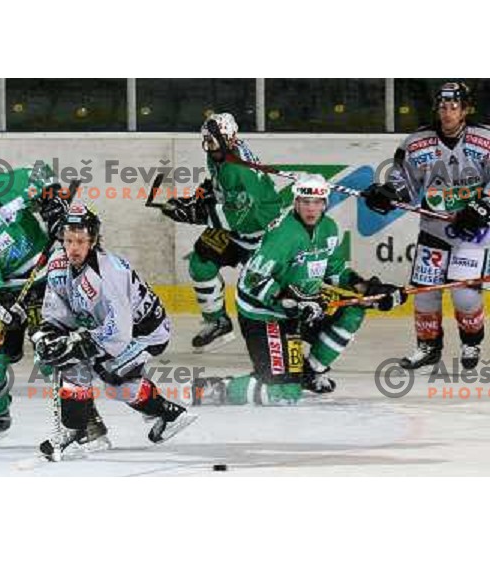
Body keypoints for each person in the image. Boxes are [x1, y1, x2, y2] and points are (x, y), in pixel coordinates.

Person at [0, 163, 109, 447]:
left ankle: (87, 421)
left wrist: (53, 203)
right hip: (4, 291)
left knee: (54, 356)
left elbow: (41, 174)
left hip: (44, 279)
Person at [195, 174, 406, 405]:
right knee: (285, 394)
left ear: (325, 203)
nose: (311, 208)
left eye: (316, 202)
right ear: (296, 202)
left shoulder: (328, 228)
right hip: (265, 315)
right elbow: (252, 280)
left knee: (356, 307)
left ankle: (311, 371)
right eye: (305, 202)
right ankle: (216, 389)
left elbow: (336, 273)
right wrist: (290, 299)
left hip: (302, 306)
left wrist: (369, 290)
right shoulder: (284, 235)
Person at [31, 203, 197, 460]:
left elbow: (119, 332)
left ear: (93, 240)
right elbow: (57, 307)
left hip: (146, 332)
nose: (73, 248)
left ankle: (166, 414)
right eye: (69, 240)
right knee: (80, 368)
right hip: (111, 330)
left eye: (80, 241)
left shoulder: (109, 274)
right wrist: (49, 333)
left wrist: (79, 345)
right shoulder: (58, 263)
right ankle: (78, 434)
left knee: (110, 376)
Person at [363, 81, 490, 371]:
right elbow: (403, 181)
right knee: (425, 292)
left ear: (466, 109)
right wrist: (388, 194)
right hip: (434, 227)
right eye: (443, 107)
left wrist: (483, 206)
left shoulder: (485, 138)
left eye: (454, 107)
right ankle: (428, 347)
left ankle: (471, 341)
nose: (447, 113)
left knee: (464, 293)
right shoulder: (417, 142)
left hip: (473, 231)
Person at [162, 112, 291, 352]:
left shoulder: (237, 169)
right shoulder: (219, 156)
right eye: (206, 139)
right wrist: (196, 199)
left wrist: (196, 214)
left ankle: (289, 337)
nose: (207, 144)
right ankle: (218, 322)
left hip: (261, 234)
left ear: (228, 138)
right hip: (237, 230)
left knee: (266, 291)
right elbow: (215, 185)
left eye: (211, 139)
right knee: (201, 262)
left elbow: (239, 215)